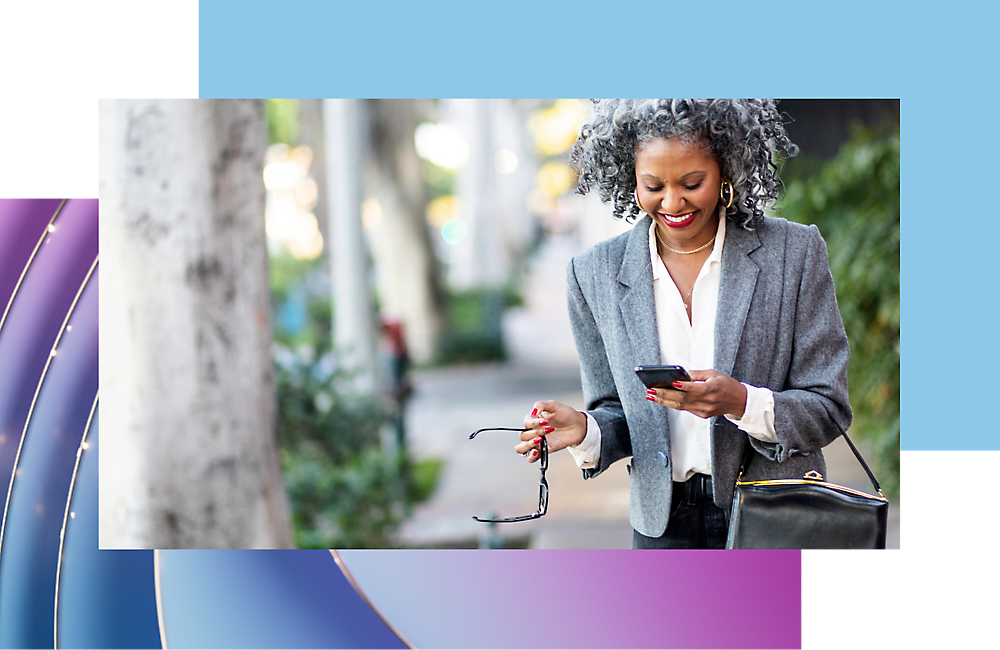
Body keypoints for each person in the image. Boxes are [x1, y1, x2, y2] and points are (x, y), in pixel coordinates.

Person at [514, 99, 852, 549]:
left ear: (727, 170)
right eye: (652, 185)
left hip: (774, 515)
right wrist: (587, 428)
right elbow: (617, 410)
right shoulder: (593, 273)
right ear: (628, 178)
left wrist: (741, 402)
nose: (673, 203)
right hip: (662, 527)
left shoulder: (793, 252)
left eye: (693, 182)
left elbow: (828, 407)